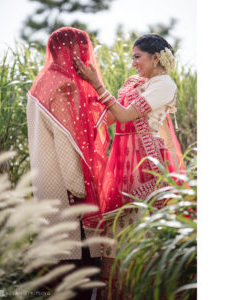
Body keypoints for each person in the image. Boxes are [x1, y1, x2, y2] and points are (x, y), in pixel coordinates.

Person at [74, 33, 186, 299]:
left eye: (138, 57)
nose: (133, 63)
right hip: (122, 161)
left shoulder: (163, 85)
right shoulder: (133, 83)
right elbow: (114, 119)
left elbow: (126, 114)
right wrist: (84, 101)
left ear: (156, 57)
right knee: (117, 231)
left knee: (140, 227)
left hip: (146, 165)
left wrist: (97, 83)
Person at [26, 27, 110, 299]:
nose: (87, 56)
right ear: (73, 51)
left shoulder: (40, 84)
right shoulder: (64, 85)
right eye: (83, 49)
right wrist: (82, 190)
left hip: (47, 189)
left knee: (61, 275)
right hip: (69, 196)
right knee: (80, 280)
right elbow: (68, 145)